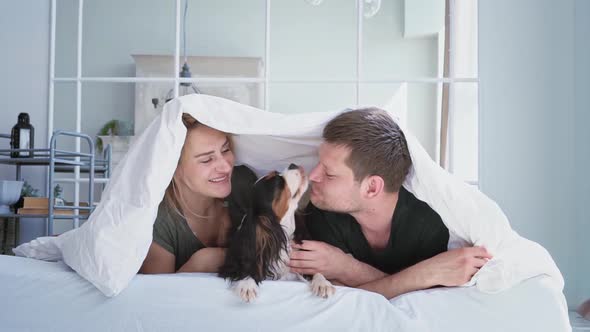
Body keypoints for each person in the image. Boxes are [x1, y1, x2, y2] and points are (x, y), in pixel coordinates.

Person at [288, 108, 492, 299]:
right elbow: (339, 297)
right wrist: (425, 274)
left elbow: (431, 299)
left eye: (329, 173)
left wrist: (346, 268)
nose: (312, 175)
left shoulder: (430, 224)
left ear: (372, 188)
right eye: (318, 163)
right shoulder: (322, 212)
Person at [140, 113, 256, 274]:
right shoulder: (158, 220)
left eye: (225, 149)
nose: (226, 167)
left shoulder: (244, 184)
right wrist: (199, 265)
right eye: (206, 160)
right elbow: (156, 295)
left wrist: (302, 258)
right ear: (172, 168)